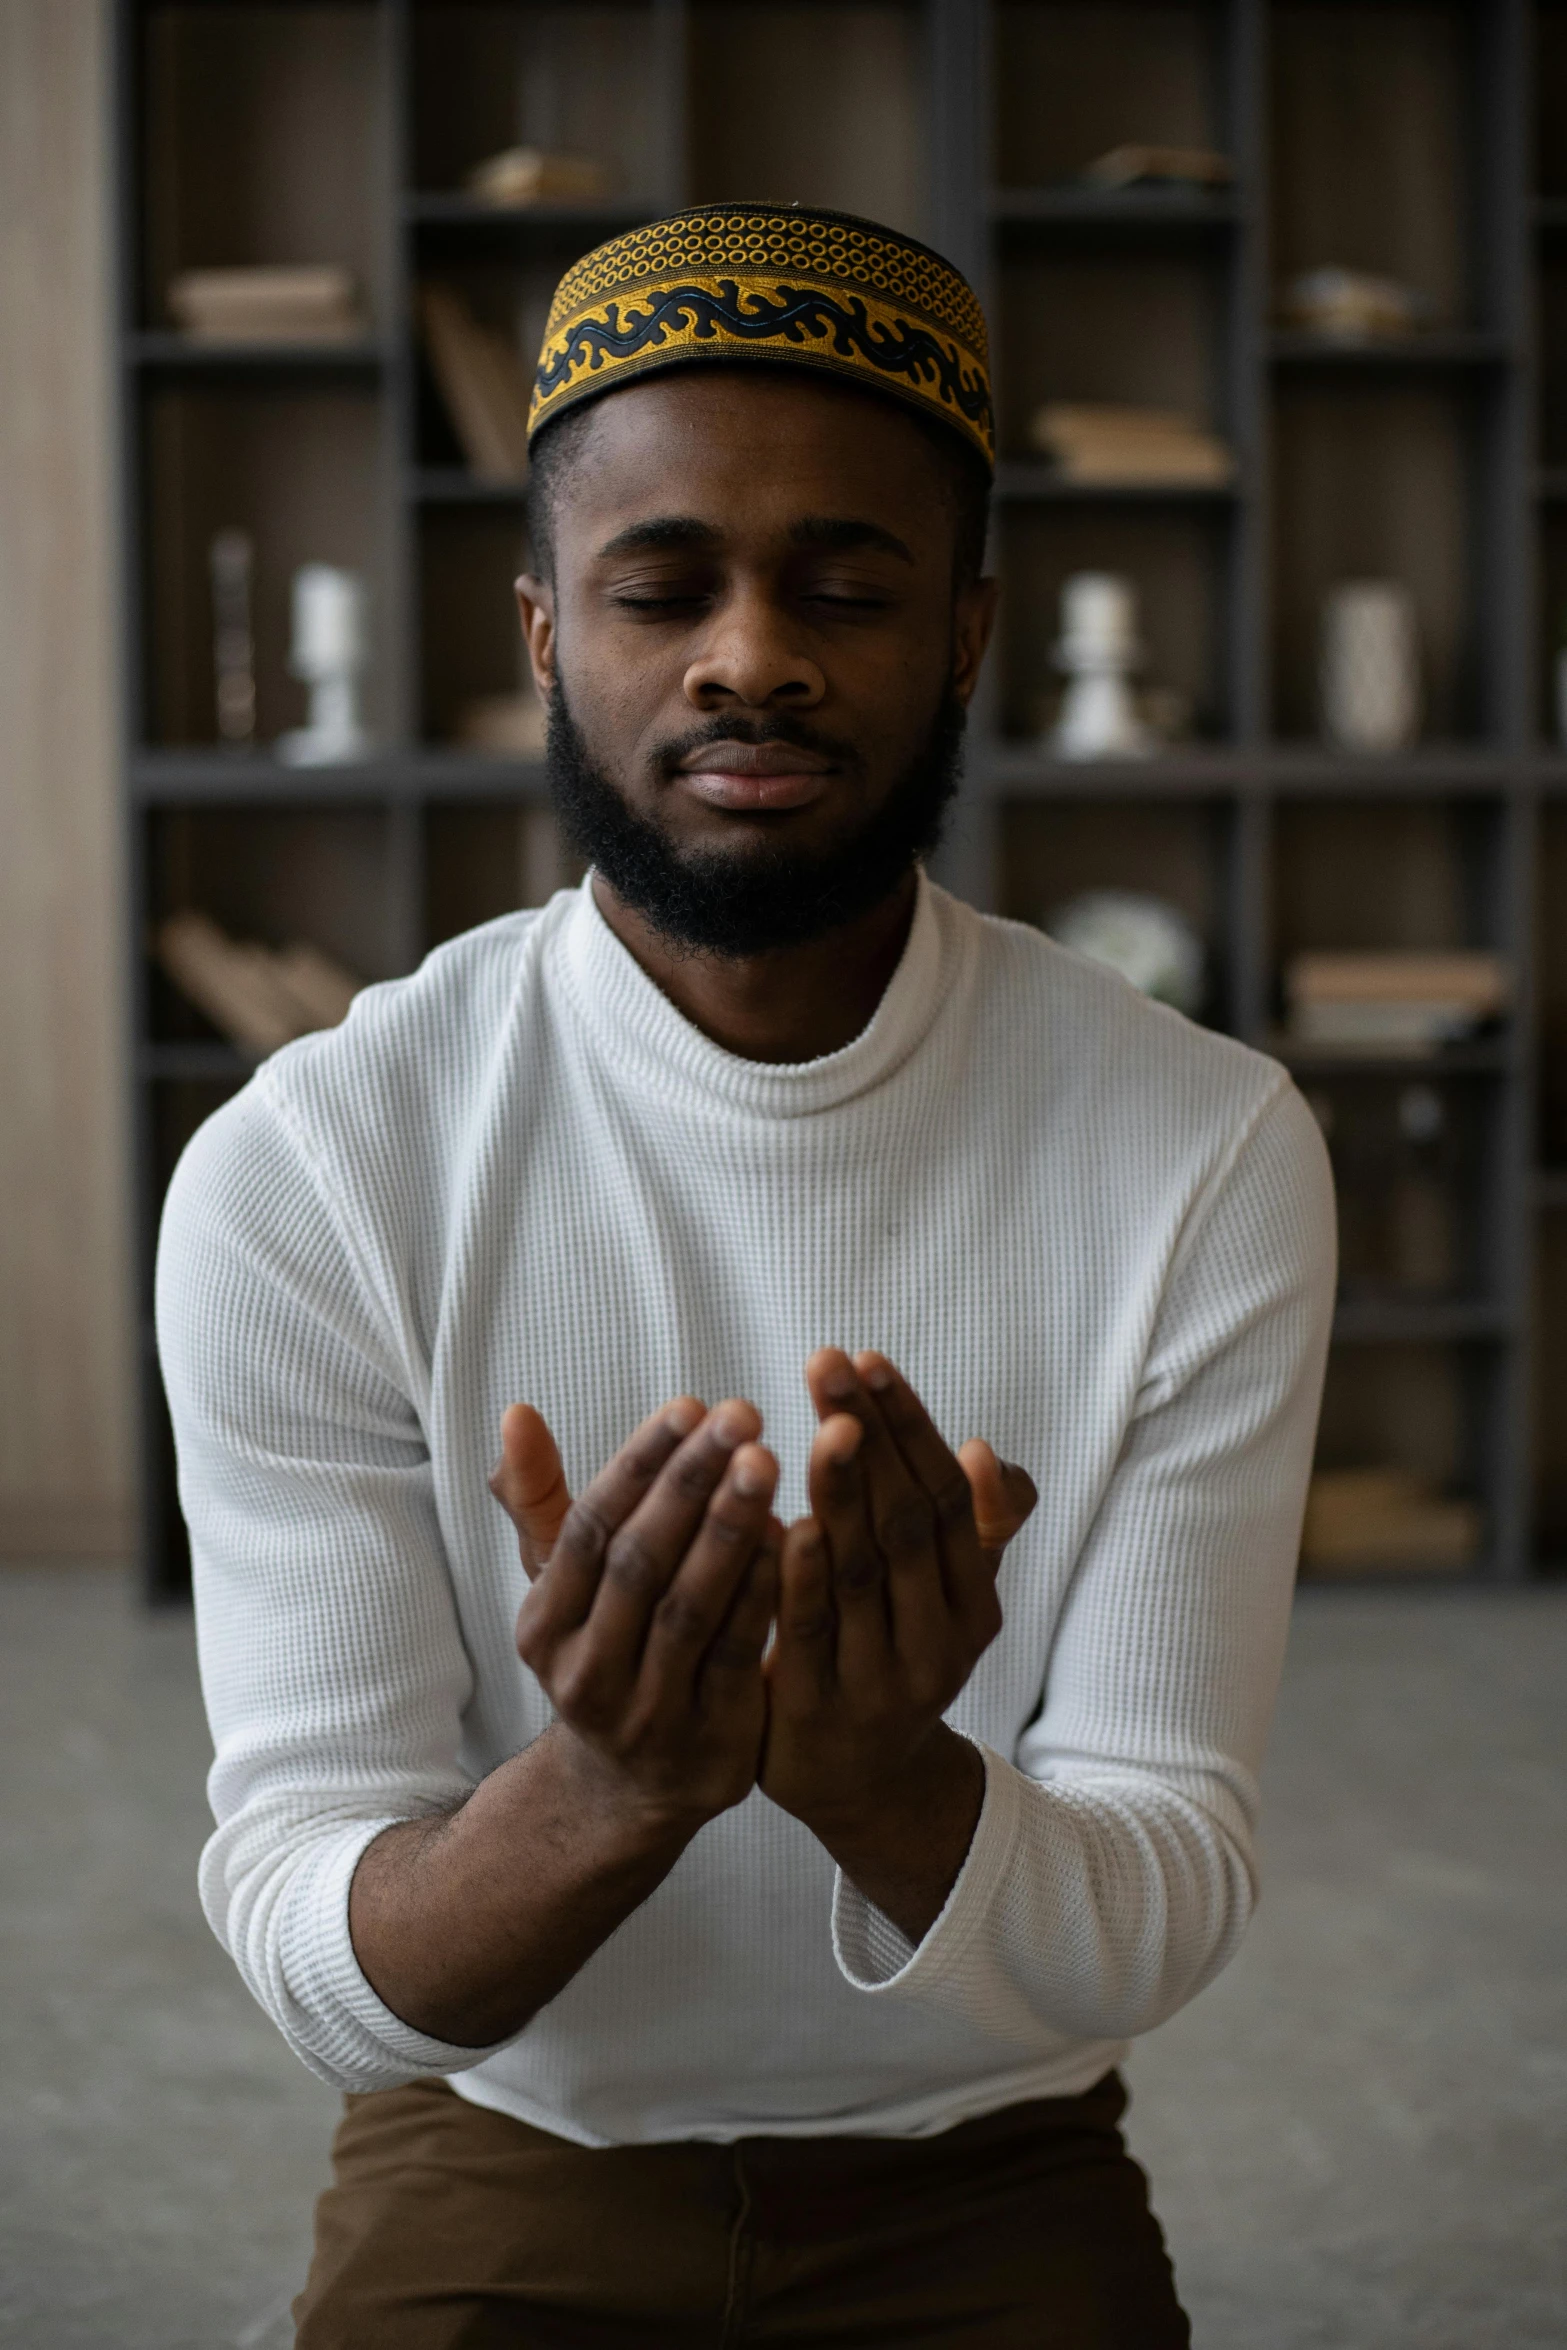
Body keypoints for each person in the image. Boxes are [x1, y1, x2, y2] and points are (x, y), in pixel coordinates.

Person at [157, 204, 1335, 2347]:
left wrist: (883, 1775)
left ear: (973, 631)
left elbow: (1168, 1893)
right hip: (508, 2143)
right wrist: (612, 1786)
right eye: (662, 583)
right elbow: (317, 1954)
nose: (751, 654)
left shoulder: (1205, 1147)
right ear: (540, 628)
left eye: (848, 584)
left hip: (988, 2156)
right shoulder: (310, 1168)